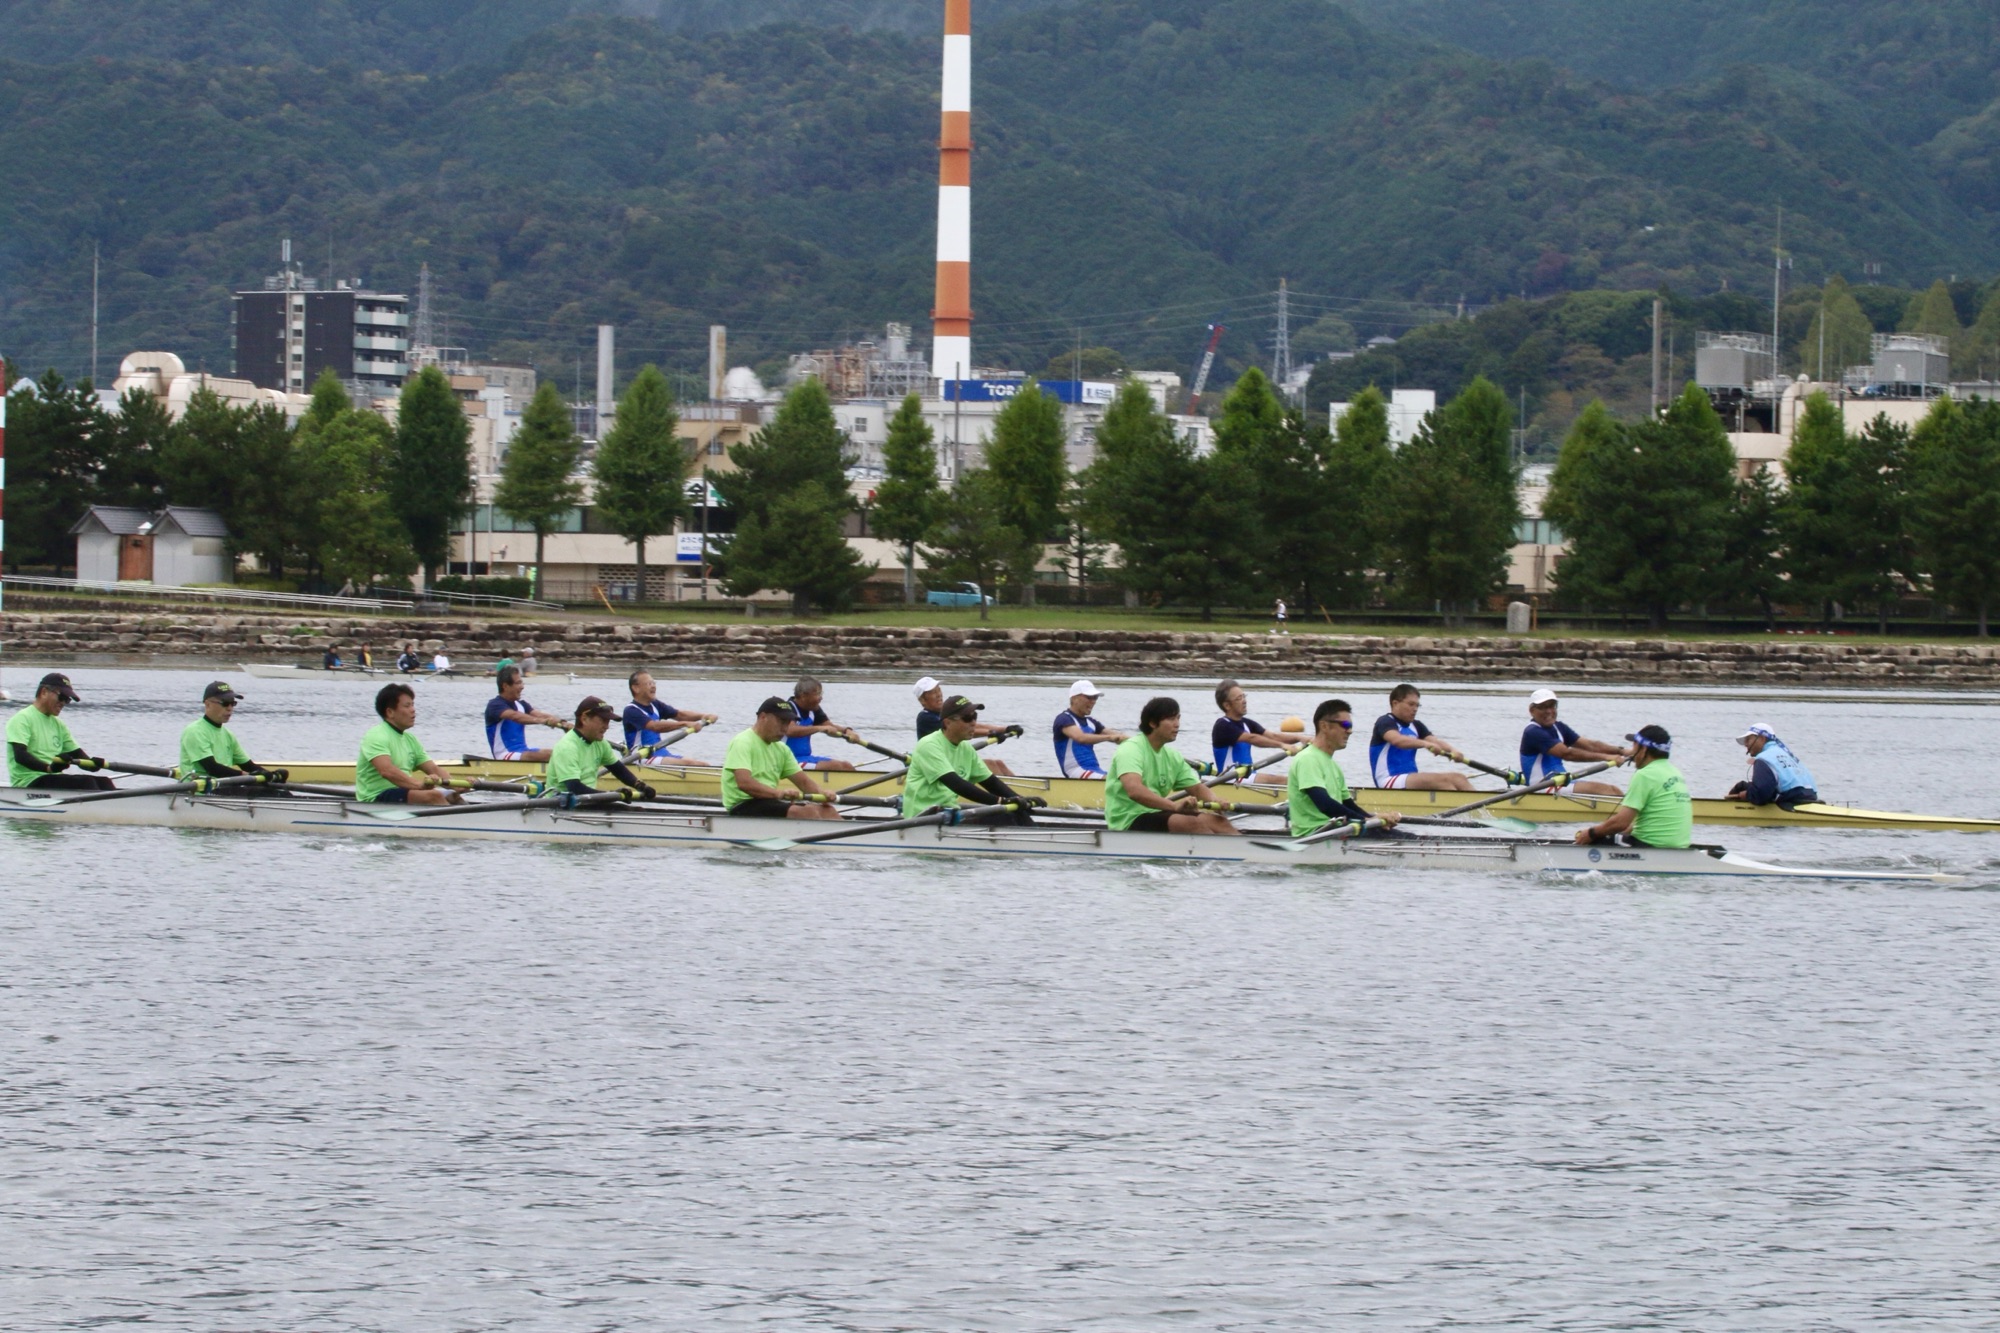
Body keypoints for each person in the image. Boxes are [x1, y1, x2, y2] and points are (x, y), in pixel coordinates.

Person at [1104, 697, 1237, 835]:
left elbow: (1197, 788)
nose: (1177, 724)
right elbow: (1134, 791)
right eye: (1171, 719)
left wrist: (1215, 800)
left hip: (1156, 812)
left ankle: (1242, 848)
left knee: (1220, 822)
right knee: (1189, 823)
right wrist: (1174, 806)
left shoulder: (1173, 756)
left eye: (1178, 718)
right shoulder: (1131, 749)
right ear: (1153, 723)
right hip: (1127, 819)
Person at [903, 695, 1041, 824]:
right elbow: (957, 785)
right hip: (922, 819)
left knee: (1018, 813)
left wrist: (1020, 799)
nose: (973, 723)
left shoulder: (965, 748)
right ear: (947, 723)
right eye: (967, 718)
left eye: (974, 716)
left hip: (948, 814)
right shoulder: (929, 745)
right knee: (1007, 816)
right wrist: (1002, 801)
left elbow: (991, 782)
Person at [1287, 699, 1402, 839]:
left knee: (1405, 836)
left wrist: (1373, 820)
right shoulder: (1308, 759)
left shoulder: (1333, 765)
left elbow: (1348, 805)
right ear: (1324, 726)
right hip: (1316, 833)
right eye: (1345, 725)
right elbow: (1324, 804)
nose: (1350, 731)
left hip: (1335, 828)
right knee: (1404, 839)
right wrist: (1367, 821)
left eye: (1351, 726)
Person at [1575, 725, 1692, 849]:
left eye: (1634, 746)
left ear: (1643, 749)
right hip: (1680, 847)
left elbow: (1621, 823)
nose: (1631, 752)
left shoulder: (1645, 774)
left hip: (1651, 847)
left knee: (1593, 840)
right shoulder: (1675, 772)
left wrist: (1591, 833)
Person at [723, 698, 840, 821]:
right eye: (782, 722)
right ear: (763, 717)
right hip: (743, 805)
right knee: (805, 812)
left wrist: (823, 794)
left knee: (828, 811)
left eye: (788, 723)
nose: (785, 728)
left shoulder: (782, 749)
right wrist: (779, 793)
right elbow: (744, 783)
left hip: (768, 801)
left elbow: (804, 783)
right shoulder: (742, 742)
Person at [357, 683, 462, 806]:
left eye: (412, 705)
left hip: (401, 792)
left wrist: (457, 785)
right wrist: (419, 785)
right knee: (434, 796)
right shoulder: (376, 735)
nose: (413, 710)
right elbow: (386, 771)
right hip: (376, 796)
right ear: (390, 712)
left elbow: (433, 769)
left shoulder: (410, 740)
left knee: (454, 796)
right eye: (407, 706)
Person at [5, 673, 112, 791]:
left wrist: (93, 765)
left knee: (105, 782)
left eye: (67, 700)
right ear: (44, 692)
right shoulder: (22, 719)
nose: (63, 703)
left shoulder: (59, 725)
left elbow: (78, 755)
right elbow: (20, 756)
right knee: (86, 782)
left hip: (52, 779)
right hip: (28, 782)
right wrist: (49, 768)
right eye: (62, 697)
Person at [1519, 687, 1628, 795]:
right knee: (1608, 791)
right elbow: (1567, 754)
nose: (1548, 711)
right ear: (1532, 711)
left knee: (1614, 790)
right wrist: (1607, 757)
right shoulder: (1533, 732)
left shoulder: (1559, 727)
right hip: (1542, 786)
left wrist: (1622, 751)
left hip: (1562, 781)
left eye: (1552, 706)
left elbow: (1591, 745)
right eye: (1543, 707)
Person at [546, 697, 657, 800]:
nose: (607, 726)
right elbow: (575, 788)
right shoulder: (567, 747)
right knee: (628, 810)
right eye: (603, 720)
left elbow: (618, 770)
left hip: (586, 801)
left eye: (608, 721)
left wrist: (641, 786)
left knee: (636, 810)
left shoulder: (600, 743)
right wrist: (611, 795)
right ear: (584, 719)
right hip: (561, 804)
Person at [1367, 684, 1473, 791]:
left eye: (1417, 705)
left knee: (1459, 778)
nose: (1415, 709)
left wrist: (1453, 750)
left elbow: (1435, 741)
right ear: (1395, 703)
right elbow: (1397, 740)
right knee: (1442, 782)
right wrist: (1425, 744)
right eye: (1411, 704)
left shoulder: (1416, 725)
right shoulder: (1385, 722)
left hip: (1409, 779)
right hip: (1388, 780)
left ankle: (1477, 802)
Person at [179, 681, 284, 781]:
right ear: (208, 704)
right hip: (201, 789)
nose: (229, 708)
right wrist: (247, 776)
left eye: (232, 703)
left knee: (279, 791)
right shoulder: (195, 731)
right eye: (225, 703)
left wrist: (272, 775)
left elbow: (248, 766)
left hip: (224, 786)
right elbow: (212, 768)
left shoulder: (228, 735)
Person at [914, 676, 1018, 775]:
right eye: (933, 692)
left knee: (999, 763)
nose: (938, 695)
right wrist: (990, 733)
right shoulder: (925, 718)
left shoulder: (943, 714)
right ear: (922, 700)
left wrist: (1005, 729)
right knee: (991, 766)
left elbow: (971, 725)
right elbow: (963, 729)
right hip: (936, 764)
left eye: (938, 690)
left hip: (951, 759)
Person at [622, 670, 717, 766]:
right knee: (690, 763)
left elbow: (680, 714)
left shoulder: (655, 704)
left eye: (654, 683)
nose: (653, 686)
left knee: (704, 765)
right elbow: (654, 726)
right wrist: (685, 724)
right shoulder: (631, 711)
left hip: (661, 753)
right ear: (636, 688)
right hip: (641, 757)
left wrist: (703, 716)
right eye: (649, 684)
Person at [1211, 678, 1297, 782]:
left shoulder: (1246, 723)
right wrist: (1282, 745)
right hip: (1231, 779)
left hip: (1247, 777)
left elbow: (1274, 736)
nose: (1244, 701)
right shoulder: (1222, 725)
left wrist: (1302, 738)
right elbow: (1251, 738)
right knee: (1284, 781)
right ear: (1227, 705)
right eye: (1239, 698)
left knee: (1291, 780)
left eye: (1244, 696)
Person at [484, 665, 568, 762]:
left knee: (559, 753)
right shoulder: (494, 705)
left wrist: (564, 724)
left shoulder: (522, 705)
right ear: (505, 686)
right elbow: (515, 717)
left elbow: (540, 715)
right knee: (546, 755)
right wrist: (544, 722)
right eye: (518, 683)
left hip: (522, 751)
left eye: (521, 682)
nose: (522, 687)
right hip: (504, 755)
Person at [1727, 724, 1820, 808]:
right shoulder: (1789, 756)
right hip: (1811, 798)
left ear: (1762, 739)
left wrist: (1746, 795)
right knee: (1742, 786)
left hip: (1791, 803)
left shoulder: (1764, 758)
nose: (1746, 744)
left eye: (1748, 739)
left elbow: (1761, 795)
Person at [1053, 680, 1127, 779]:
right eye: (1089, 697)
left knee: (1129, 778)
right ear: (1074, 698)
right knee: (1118, 782)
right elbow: (1081, 738)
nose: (1093, 701)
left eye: (1095, 698)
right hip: (1076, 771)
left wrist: (1138, 741)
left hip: (1095, 770)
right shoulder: (1063, 719)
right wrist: (1109, 737)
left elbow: (1118, 736)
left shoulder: (1091, 722)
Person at [784, 677, 858, 772]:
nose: (821, 698)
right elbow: (790, 730)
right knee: (835, 766)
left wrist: (847, 731)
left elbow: (830, 727)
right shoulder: (787, 708)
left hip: (805, 757)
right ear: (803, 696)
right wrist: (819, 728)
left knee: (846, 766)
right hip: (788, 760)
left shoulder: (813, 709)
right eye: (818, 694)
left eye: (821, 693)